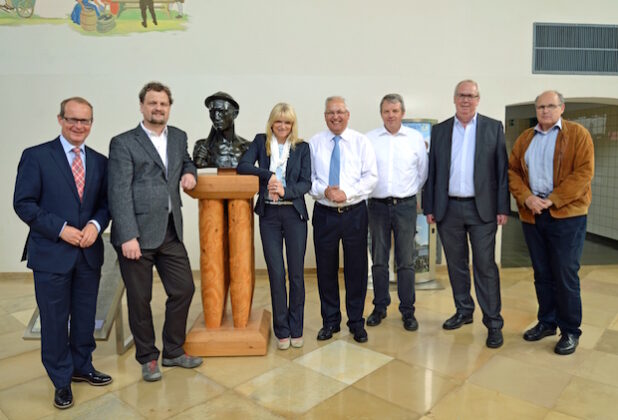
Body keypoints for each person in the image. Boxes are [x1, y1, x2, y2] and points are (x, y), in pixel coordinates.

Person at [13, 97, 111, 410]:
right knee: (54, 321)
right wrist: (61, 229)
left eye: (85, 121)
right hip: (52, 253)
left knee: (85, 317)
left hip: (88, 253)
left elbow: (105, 205)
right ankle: (61, 379)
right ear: (60, 119)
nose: (79, 126)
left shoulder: (100, 161)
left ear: (92, 124)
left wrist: (96, 225)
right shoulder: (37, 156)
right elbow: (24, 203)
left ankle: (83, 366)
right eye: (73, 119)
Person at [108, 81, 202, 382]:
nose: (158, 108)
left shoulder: (178, 136)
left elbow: (185, 160)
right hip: (137, 235)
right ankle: (148, 357)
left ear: (169, 107)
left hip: (170, 231)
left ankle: (173, 350)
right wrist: (127, 236)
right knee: (139, 299)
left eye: (163, 104)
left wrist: (189, 172)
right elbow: (118, 191)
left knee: (184, 288)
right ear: (141, 106)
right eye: (152, 103)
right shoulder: (123, 142)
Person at [422, 80, 509, 349]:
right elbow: (432, 171)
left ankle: (493, 322)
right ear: (454, 98)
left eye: (471, 96)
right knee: (456, 264)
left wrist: (502, 207)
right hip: (449, 208)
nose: (466, 100)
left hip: (482, 209)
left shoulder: (493, 128)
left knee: (485, 266)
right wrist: (430, 207)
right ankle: (464, 310)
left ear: (478, 99)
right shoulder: (440, 130)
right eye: (461, 95)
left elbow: (501, 171)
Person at [509, 90, 594, 355]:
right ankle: (547, 322)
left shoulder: (578, 135)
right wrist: (527, 198)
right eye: (540, 107)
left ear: (561, 108)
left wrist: (553, 199)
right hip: (533, 215)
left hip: (567, 216)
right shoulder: (525, 138)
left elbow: (583, 173)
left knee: (565, 274)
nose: (545, 111)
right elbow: (512, 171)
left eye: (550, 106)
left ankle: (570, 330)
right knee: (542, 272)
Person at [237, 103, 311, 350]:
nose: (282, 126)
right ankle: (281, 330)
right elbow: (243, 166)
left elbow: (306, 183)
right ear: (271, 123)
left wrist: (286, 189)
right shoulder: (261, 142)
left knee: (297, 274)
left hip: (294, 214)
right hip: (269, 215)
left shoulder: (302, 148)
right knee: (276, 274)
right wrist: (268, 176)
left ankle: (296, 327)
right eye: (278, 121)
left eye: (287, 122)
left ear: (293, 125)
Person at [309, 96, 378, 343]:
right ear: (325, 116)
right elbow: (310, 178)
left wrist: (345, 193)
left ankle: (356, 322)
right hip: (325, 214)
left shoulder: (361, 142)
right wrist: (325, 191)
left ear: (348, 115)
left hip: (354, 214)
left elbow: (371, 177)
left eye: (339, 112)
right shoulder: (314, 143)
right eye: (330, 113)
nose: (335, 116)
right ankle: (330, 322)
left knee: (356, 270)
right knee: (325, 270)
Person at [365, 94, 428, 331]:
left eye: (395, 111)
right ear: (381, 114)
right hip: (377, 206)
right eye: (386, 111)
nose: (390, 115)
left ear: (402, 113)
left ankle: (407, 311)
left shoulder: (415, 138)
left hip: (405, 206)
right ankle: (380, 306)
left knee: (406, 261)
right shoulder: (369, 139)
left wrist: (408, 194)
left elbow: (422, 173)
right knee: (379, 260)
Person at [193, 91, 251, 168]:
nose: (216, 117)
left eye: (222, 111)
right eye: (212, 112)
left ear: (235, 113)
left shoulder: (247, 147)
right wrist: (199, 162)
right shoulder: (201, 146)